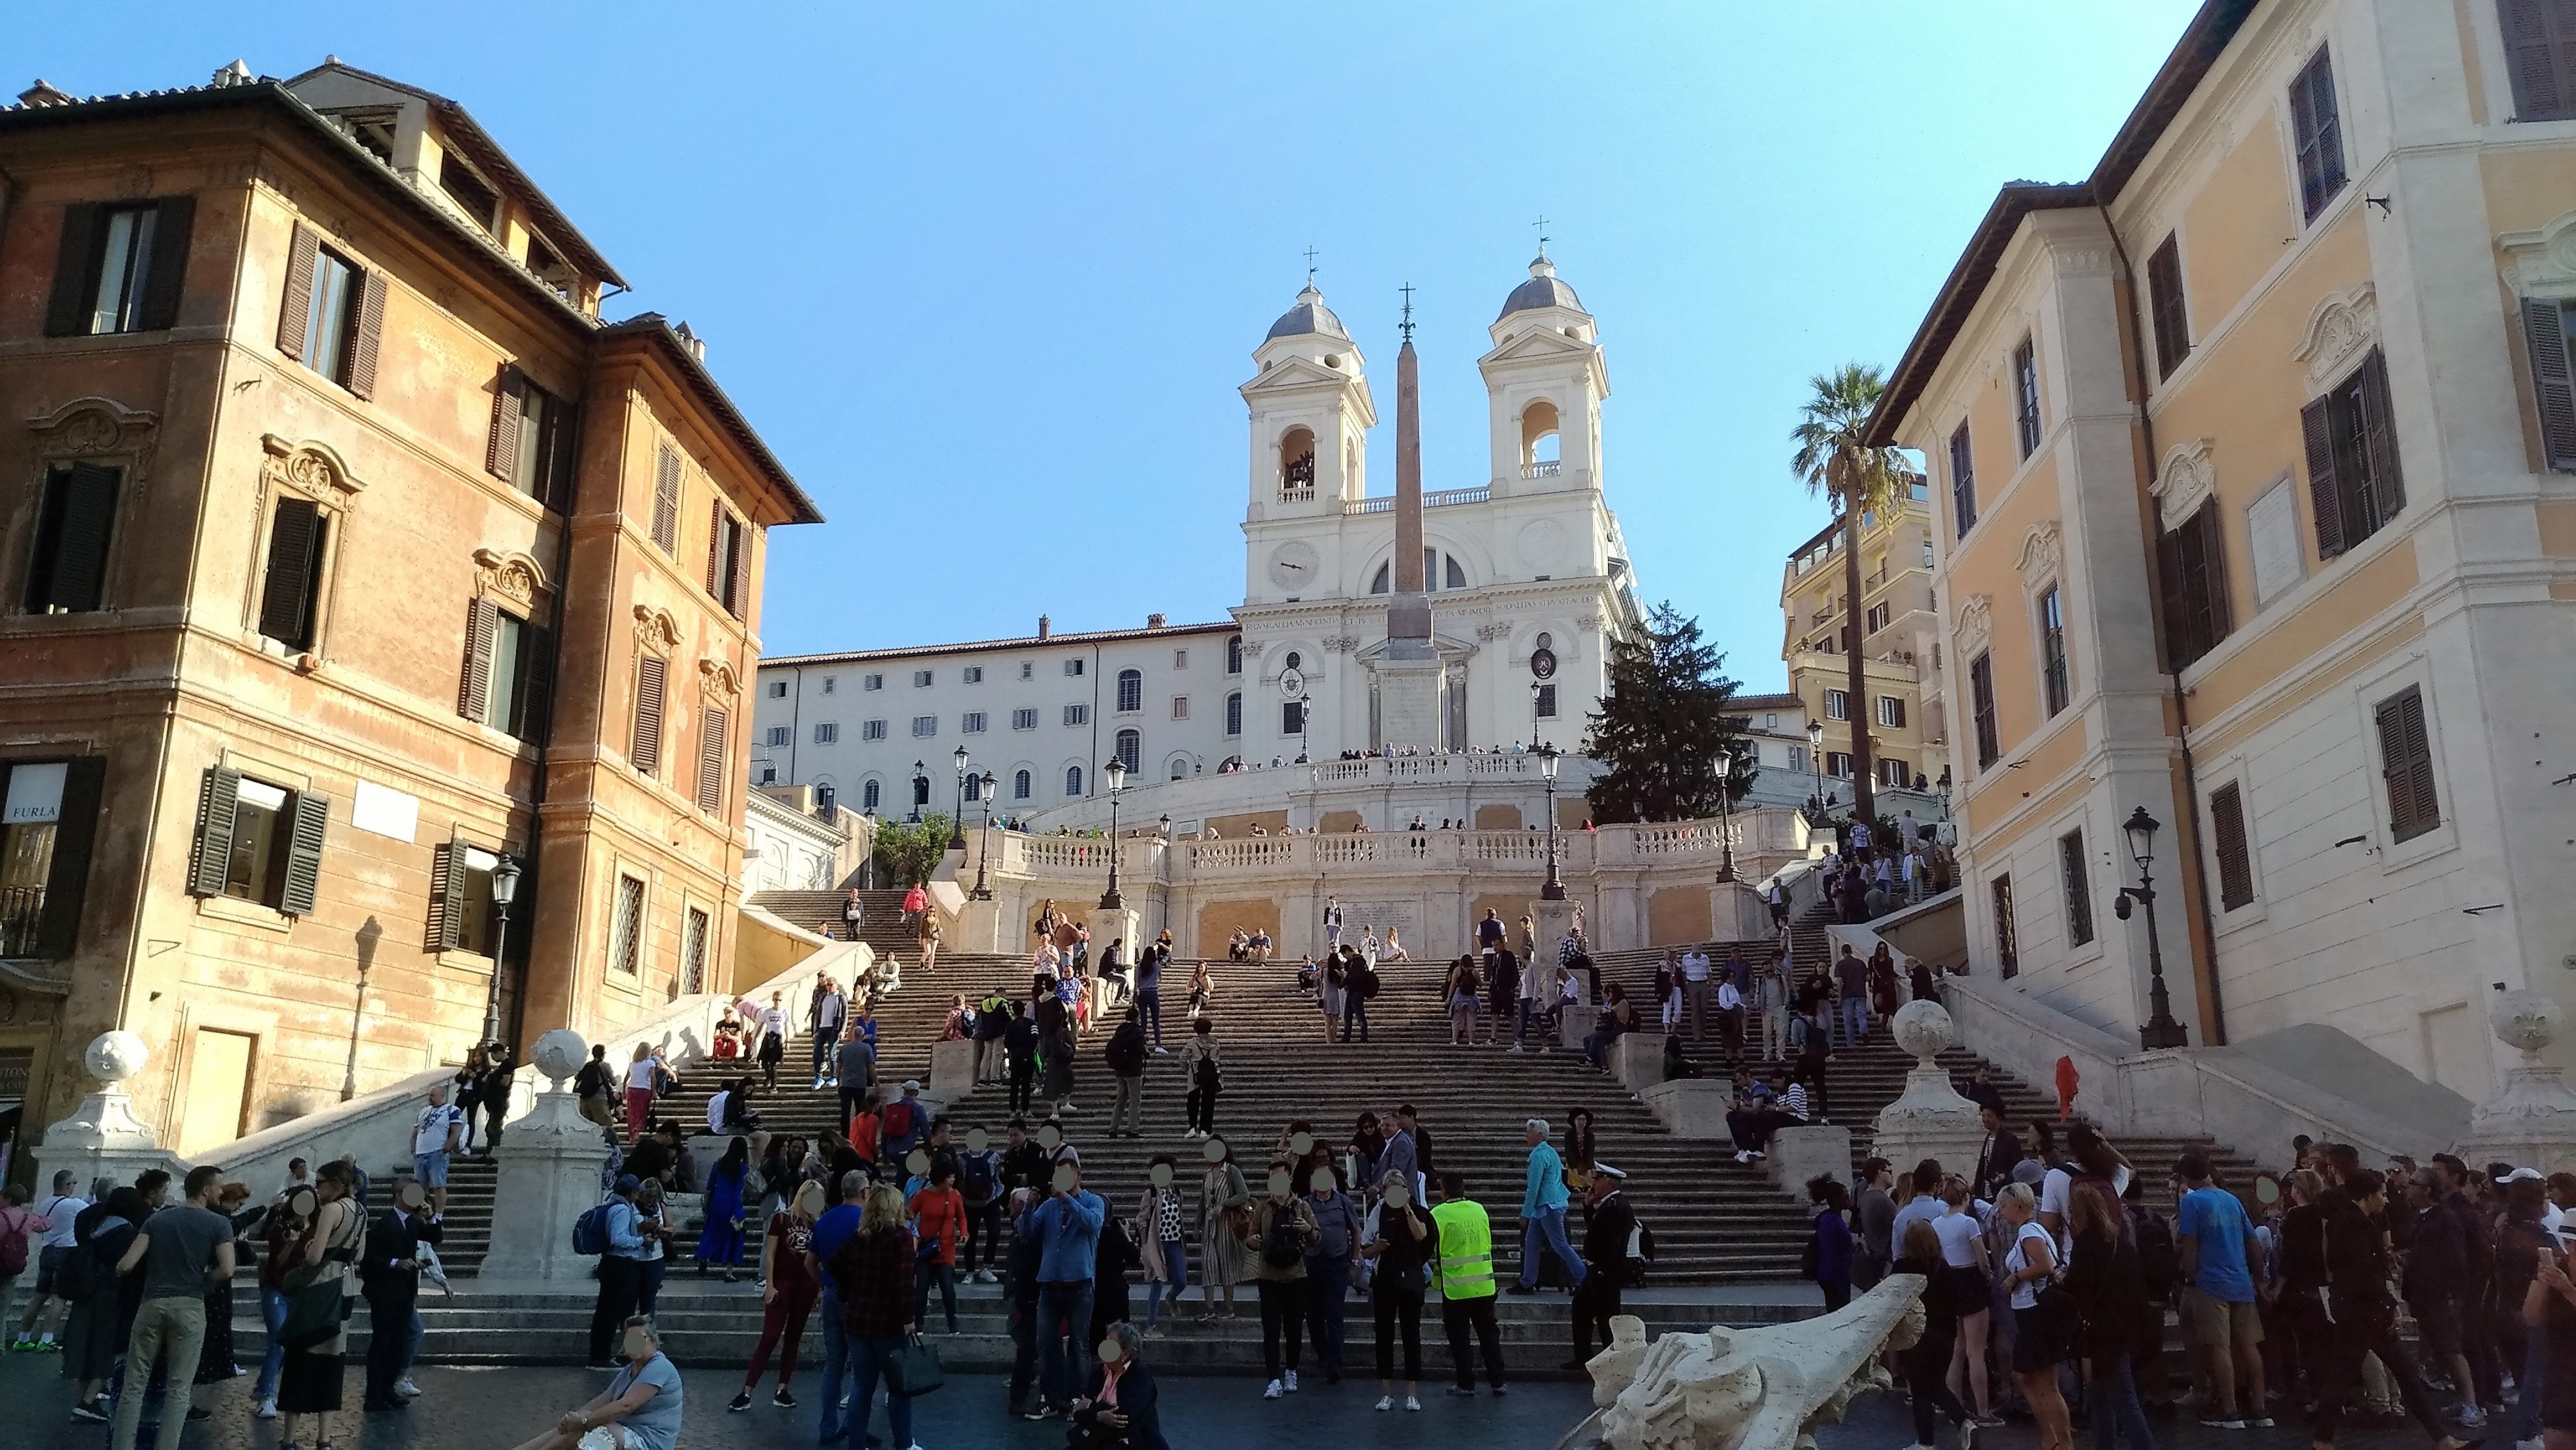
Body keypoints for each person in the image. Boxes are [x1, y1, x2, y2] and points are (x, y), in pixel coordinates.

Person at [2315, 1170, 2474, 1450]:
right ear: (2368, 1197)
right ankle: (2441, 1438)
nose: (2385, 1200)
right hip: (2366, 1312)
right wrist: (2389, 1306)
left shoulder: (2346, 1223)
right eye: (2381, 1194)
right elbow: (2364, 1274)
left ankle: (2324, 1440)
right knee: (2400, 1374)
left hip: (2357, 1310)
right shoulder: (2357, 1227)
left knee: (2351, 1375)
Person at [109, 1163, 238, 1450]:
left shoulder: (158, 1220)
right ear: (206, 1191)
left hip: (152, 1304)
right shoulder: (219, 1224)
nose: (222, 1191)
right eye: (219, 1187)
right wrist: (206, 1281)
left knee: (134, 1385)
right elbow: (228, 1269)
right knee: (179, 1389)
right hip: (190, 1307)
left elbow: (125, 1265)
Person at [2174, 1149, 2268, 1428]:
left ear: (2186, 1177)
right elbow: (2253, 1242)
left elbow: (2190, 1244)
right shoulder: (2231, 1199)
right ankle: (2260, 1408)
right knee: (2249, 1345)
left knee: (2219, 1347)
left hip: (2210, 1281)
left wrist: (2189, 1277)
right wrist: (2257, 1277)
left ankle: (2229, 1409)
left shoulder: (2192, 1202)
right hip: (2241, 1280)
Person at [821, 1182, 920, 1448]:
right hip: (888, 1324)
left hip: (858, 1320)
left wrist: (848, 1288)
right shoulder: (901, 1237)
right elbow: (904, 1282)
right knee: (899, 1388)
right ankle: (904, 1442)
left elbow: (832, 1263)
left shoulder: (861, 1237)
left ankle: (857, 1442)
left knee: (862, 1388)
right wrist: (908, 1318)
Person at [275, 1164, 365, 1448]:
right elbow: (360, 1254)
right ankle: (324, 1438)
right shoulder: (361, 1211)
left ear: (336, 1185)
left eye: (322, 1183)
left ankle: (289, 1437)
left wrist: (312, 1243)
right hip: (346, 1288)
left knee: (302, 1358)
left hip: (320, 1288)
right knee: (333, 1362)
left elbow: (313, 1259)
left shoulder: (331, 1211)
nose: (317, 1189)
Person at [2067, 1182, 2158, 1450]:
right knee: (2101, 1396)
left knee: (2123, 1401)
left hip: (2103, 1332)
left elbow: (2079, 1287)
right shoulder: (2120, 1244)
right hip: (2124, 1327)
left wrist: (2061, 1280)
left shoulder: (2086, 1245)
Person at [511, 1313, 683, 1450]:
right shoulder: (630, 1369)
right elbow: (604, 1399)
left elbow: (626, 1406)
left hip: (648, 1442)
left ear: (652, 1340)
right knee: (567, 1429)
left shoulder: (660, 1367)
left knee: (594, 1430)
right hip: (623, 1432)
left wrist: (584, 1421)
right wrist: (573, 1418)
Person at [1018, 1159, 1105, 1420]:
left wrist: (1068, 1198)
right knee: (1046, 1343)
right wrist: (1029, 1207)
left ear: (1079, 1177)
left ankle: (1079, 1397)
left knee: (1079, 1344)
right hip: (1050, 1283)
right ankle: (1050, 1396)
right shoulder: (1049, 1206)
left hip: (1080, 1283)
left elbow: (1093, 1224)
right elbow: (1027, 1233)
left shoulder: (1094, 1202)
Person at [730, 1179, 823, 1411]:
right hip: (783, 1283)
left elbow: (822, 1258)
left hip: (806, 1285)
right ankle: (747, 1390)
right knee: (770, 1336)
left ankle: (783, 1388)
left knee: (794, 1337)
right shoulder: (782, 1219)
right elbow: (770, 1254)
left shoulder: (819, 1225)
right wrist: (770, 1285)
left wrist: (819, 1287)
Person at [1997, 1182, 2073, 1450]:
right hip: (2033, 1313)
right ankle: (2051, 1435)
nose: (2001, 1211)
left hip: (2036, 1313)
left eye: (2004, 1206)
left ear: (2017, 1204)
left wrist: (2014, 1278)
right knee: (2028, 1377)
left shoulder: (2029, 1231)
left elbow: (2045, 1266)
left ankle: (2061, 1441)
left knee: (2044, 1383)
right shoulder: (2032, 1230)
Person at [1242, 1159, 1320, 1399]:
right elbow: (1250, 1237)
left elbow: (1317, 1238)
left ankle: (1291, 1371)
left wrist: (1307, 1229)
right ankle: (1273, 1378)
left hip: (1296, 1275)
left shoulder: (1302, 1206)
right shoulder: (1263, 1208)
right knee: (1271, 1329)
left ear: (1289, 1178)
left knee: (1294, 1329)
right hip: (1268, 1276)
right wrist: (1252, 1241)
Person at [1894, 1218, 1975, 1450]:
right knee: (1935, 1384)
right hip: (1944, 1335)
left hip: (1916, 1335)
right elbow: (1954, 1304)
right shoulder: (1943, 1268)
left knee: (1920, 1389)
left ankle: (1928, 1441)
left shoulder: (1902, 1268)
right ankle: (1963, 1421)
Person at [359, 1181, 438, 1412]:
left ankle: (388, 1389)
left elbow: (435, 1237)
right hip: (384, 1293)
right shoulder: (384, 1224)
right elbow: (369, 1259)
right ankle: (374, 1394)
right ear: (398, 1196)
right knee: (382, 1343)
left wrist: (432, 1216)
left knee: (399, 1343)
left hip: (405, 1291)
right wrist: (395, 1263)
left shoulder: (413, 1222)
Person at [1431, 1172, 1507, 1396]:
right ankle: (1498, 1381)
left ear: (1444, 1191)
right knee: (1489, 1334)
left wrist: (1436, 1281)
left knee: (1460, 1337)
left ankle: (1466, 1383)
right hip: (1484, 1284)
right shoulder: (1479, 1209)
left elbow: (1436, 1251)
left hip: (1456, 1287)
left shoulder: (1438, 1214)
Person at [1366, 1169, 1433, 1411]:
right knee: (1384, 1336)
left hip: (1410, 1280)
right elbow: (1365, 1248)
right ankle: (1387, 1393)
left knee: (1411, 1336)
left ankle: (1412, 1394)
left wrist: (1407, 1209)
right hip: (1385, 1280)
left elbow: (1421, 1236)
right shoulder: (1378, 1211)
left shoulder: (1419, 1212)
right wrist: (1376, 1248)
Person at [1935, 1177, 1998, 1422]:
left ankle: (1955, 1405)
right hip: (1971, 1280)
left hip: (1950, 1281)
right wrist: (1989, 1276)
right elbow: (1982, 1259)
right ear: (1966, 1197)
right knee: (1975, 1351)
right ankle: (1983, 1410)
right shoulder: (1969, 1223)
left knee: (1957, 1348)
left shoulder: (1937, 1223)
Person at [1569, 1164, 1637, 1367]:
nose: (1593, 1184)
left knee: (1608, 1318)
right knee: (1581, 1308)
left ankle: (1615, 1363)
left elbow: (1612, 1244)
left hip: (1604, 1273)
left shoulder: (1616, 1206)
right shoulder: (1610, 1204)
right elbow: (1597, 1231)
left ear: (1608, 1181)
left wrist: (1603, 1271)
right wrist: (1588, 1207)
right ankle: (1583, 1357)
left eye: (1597, 1179)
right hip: (1598, 1271)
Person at [1510, 1117, 1585, 1294]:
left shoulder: (1538, 1155)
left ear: (1540, 1135)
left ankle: (1583, 1276)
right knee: (1532, 1242)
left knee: (1559, 1244)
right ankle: (1527, 1282)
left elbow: (1533, 1188)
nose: (1527, 1136)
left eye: (1530, 1133)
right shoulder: (1551, 1152)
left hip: (1548, 1206)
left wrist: (1525, 1213)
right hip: (1549, 1205)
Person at [1069, 1318, 1170, 1449]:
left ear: (1126, 1353)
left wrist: (1091, 1406)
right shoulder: (1099, 1371)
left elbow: (1125, 1417)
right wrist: (1098, 1416)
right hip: (1099, 1436)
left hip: (1132, 1440)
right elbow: (1077, 1414)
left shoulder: (1140, 1374)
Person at [1302, 1166, 1362, 1385]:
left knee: (1334, 1314)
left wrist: (1355, 1263)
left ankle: (1335, 1362)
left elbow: (1355, 1230)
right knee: (1313, 1315)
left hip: (1337, 1264)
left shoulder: (1343, 1202)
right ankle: (1323, 1353)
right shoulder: (1305, 1203)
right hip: (1312, 1264)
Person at [695, 1136, 751, 1281]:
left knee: (712, 1232)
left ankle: (705, 1255)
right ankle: (729, 1272)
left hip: (717, 1202)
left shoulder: (719, 1164)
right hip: (733, 1203)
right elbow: (741, 1189)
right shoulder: (742, 1168)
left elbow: (710, 1185)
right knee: (735, 1235)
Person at [412, 1080, 465, 1219]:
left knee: (438, 1185)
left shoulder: (452, 1110)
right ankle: (421, 1210)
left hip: (437, 1152)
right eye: (429, 1095)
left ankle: (439, 1214)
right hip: (420, 1153)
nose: (430, 1098)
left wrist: (446, 1149)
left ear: (442, 1096)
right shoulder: (424, 1111)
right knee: (420, 1185)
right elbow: (416, 1130)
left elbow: (456, 1132)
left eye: (433, 1095)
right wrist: (413, 1149)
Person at [1809, 1175, 1856, 1311]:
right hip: (1834, 1276)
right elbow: (1828, 1249)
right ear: (1836, 1200)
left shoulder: (1836, 1218)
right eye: (1845, 1197)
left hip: (1840, 1274)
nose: (1848, 1200)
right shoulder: (1829, 1220)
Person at [1107, 1007, 1149, 1138]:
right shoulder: (1137, 1031)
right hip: (1133, 1070)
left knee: (1120, 1100)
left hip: (1119, 1070)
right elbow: (1141, 1049)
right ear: (1137, 1018)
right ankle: (1132, 1129)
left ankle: (1113, 1128)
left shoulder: (1120, 1030)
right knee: (1135, 1101)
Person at [1855, 1158, 1897, 1291]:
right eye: (1889, 1171)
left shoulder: (1865, 1197)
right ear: (1880, 1173)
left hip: (1875, 1258)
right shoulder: (1881, 1201)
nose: (1892, 1175)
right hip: (1884, 1261)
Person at [1179, 1017, 1222, 1140]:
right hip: (1211, 1075)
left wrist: (1187, 1068)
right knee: (1209, 1102)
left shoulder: (1193, 1042)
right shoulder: (1216, 1042)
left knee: (1193, 1101)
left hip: (1196, 1074)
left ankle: (1192, 1128)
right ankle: (1206, 1129)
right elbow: (1217, 1057)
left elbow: (1182, 1057)